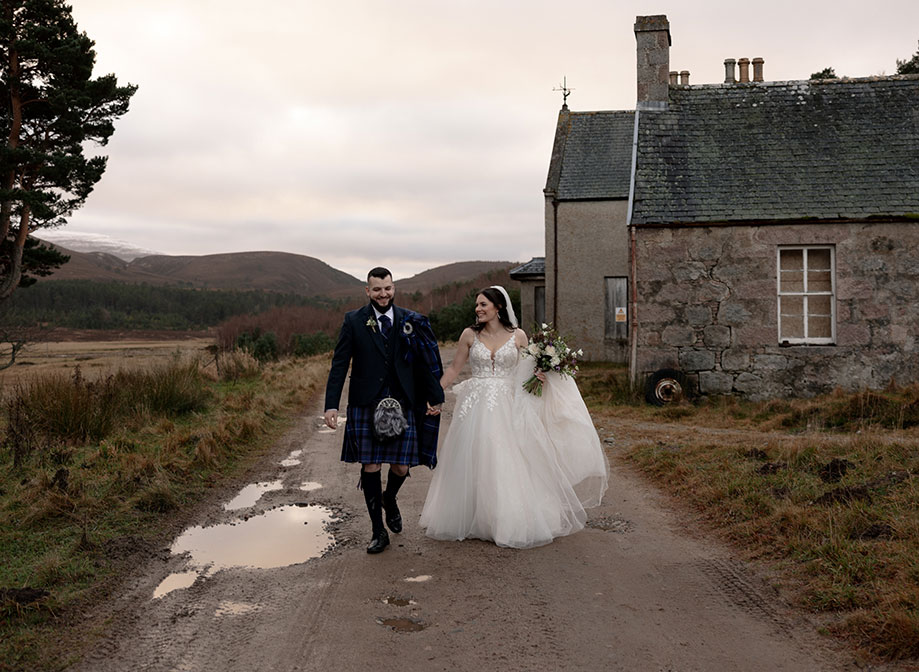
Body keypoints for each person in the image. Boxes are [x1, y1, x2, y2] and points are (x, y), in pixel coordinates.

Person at [419, 286, 609, 549]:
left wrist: (539, 375)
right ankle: (472, 514)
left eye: (483, 304)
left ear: (498, 307)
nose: (478, 309)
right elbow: (454, 368)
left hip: (509, 403)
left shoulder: (518, 335)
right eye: (477, 305)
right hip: (475, 404)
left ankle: (505, 518)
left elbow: (528, 369)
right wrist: (436, 393)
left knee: (508, 456)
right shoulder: (469, 335)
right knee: (477, 455)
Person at [324, 267, 444, 554]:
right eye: (377, 289)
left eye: (387, 288)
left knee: (402, 466)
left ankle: (390, 497)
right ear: (367, 291)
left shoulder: (410, 320)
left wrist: (434, 396)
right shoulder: (354, 321)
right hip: (366, 402)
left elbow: (422, 363)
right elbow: (340, 363)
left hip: (404, 401)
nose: (383, 294)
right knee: (371, 465)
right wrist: (331, 404)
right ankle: (378, 531)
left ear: (394, 288)